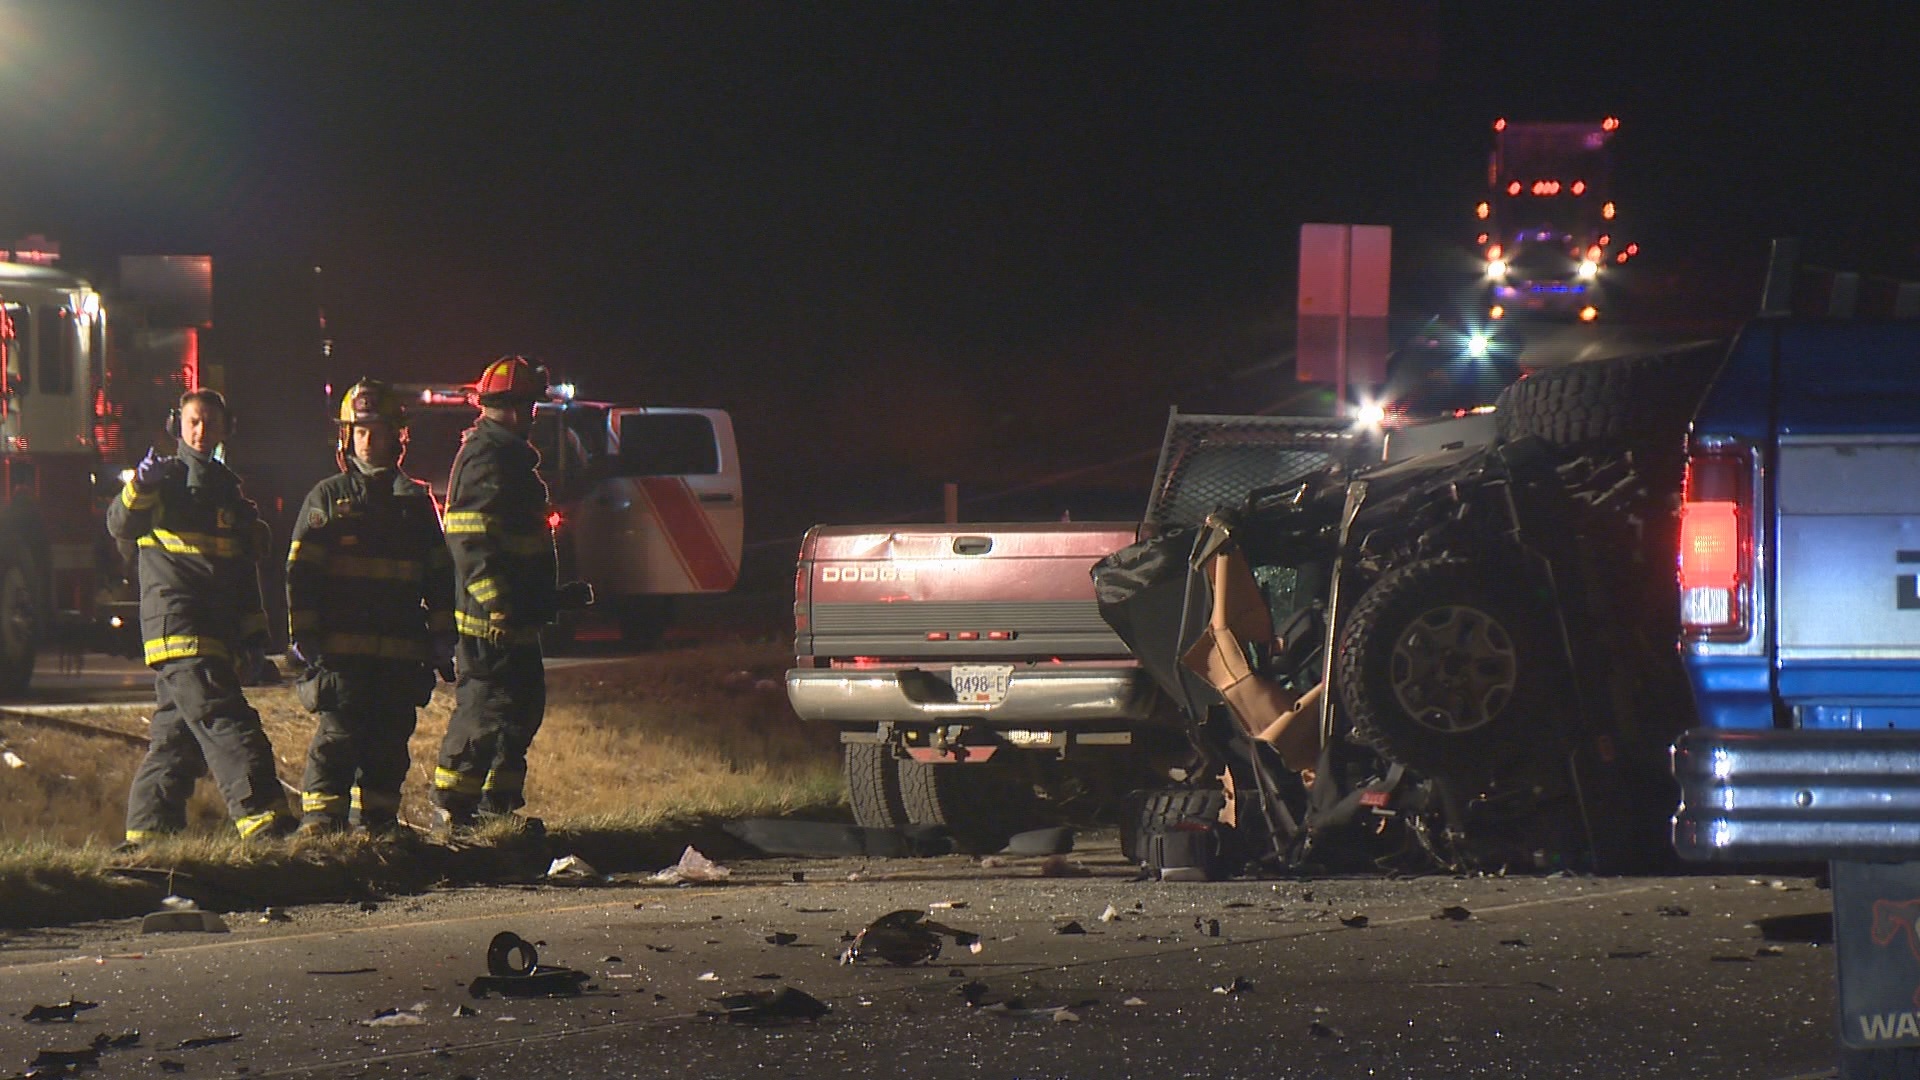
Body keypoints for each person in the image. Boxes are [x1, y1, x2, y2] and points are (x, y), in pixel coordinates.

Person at [109, 388, 293, 845]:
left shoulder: (228, 494)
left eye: (210, 421)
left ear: (226, 428)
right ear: (178, 426)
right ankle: (265, 821)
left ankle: (148, 837)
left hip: (214, 634)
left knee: (175, 738)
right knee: (227, 720)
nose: (201, 430)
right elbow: (121, 523)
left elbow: (242, 576)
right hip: (180, 628)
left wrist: (254, 638)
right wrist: (140, 486)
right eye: (193, 421)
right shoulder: (165, 483)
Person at [286, 379, 456, 838]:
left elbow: (440, 575)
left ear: (397, 438)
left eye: (377, 431)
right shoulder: (327, 498)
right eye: (359, 431)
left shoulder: (415, 503)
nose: (367, 440)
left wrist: (443, 637)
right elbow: (301, 574)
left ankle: (379, 828)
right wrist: (304, 636)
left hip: (401, 652)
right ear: (346, 437)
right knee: (337, 741)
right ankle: (322, 826)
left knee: (389, 744)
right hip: (341, 654)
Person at [430, 356, 589, 835]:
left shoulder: (510, 459)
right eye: (528, 405)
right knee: (485, 711)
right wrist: (497, 602)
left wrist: (549, 599)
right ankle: (454, 811)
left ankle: (496, 808)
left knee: (520, 710)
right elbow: (469, 539)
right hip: (490, 622)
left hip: (516, 616)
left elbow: (516, 544)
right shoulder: (487, 458)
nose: (532, 415)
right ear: (512, 407)